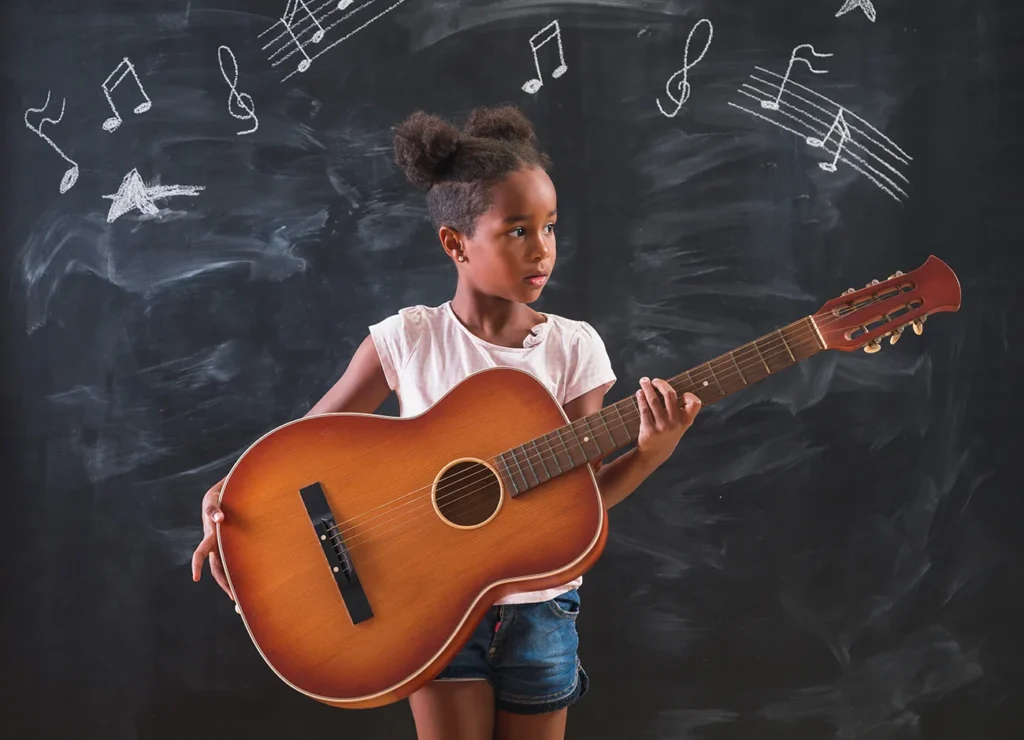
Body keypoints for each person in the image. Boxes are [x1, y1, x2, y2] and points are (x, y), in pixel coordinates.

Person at [191, 104, 702, 740]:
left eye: (550, 227)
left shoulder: (575, 348)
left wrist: (651, 453)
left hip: (541, 613)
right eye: (517, 231)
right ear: (454, 243)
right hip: (425, 606)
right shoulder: (407, 339)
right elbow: (299, 446)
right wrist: (229, 497)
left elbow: (580, 503)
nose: (541, 249)